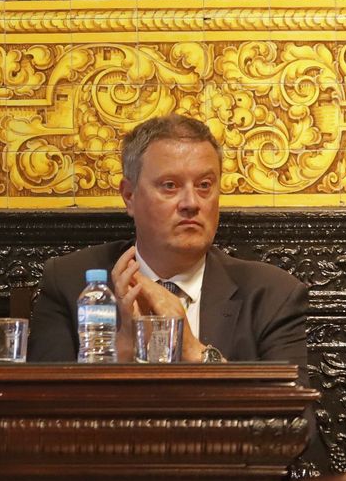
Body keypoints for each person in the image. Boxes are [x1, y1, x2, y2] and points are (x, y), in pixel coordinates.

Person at [29, 114, 307, 367]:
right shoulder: (69, 283)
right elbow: (40, 412)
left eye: (204, 185)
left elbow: (295, 422)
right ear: (129, 196)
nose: (191, 203)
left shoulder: (272, 295)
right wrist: (118, 356)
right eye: (170, 186)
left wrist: (194, 351)